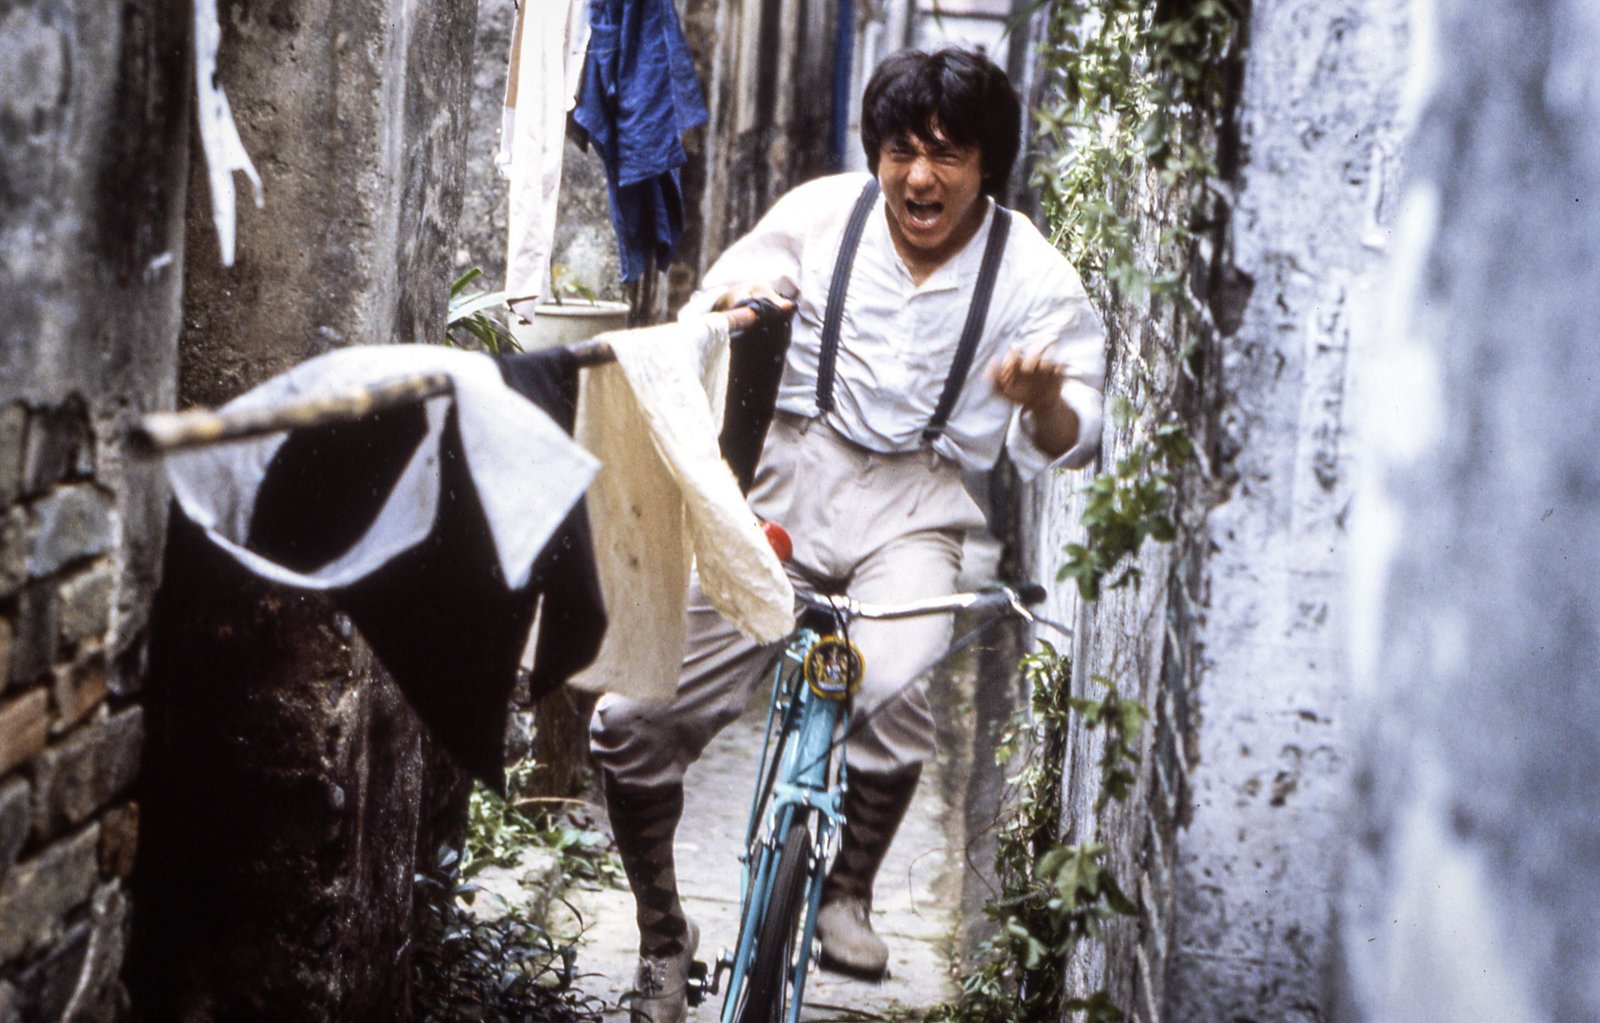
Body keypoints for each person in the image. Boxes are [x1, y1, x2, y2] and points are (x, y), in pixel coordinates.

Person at [588, 46, 1105, 1023]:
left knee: (896, 678)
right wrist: (736, 313)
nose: (920, 177)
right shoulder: (821, 215)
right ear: (875, 155)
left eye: (947, 155)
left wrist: (1042, 402)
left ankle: (848, 889)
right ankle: (661, 936)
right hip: (786, 481)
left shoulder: (1031, 273)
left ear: (986, 165)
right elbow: (719, 303)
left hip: (915, 502)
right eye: (901, 151)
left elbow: (1077, 434)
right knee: (630, 720)